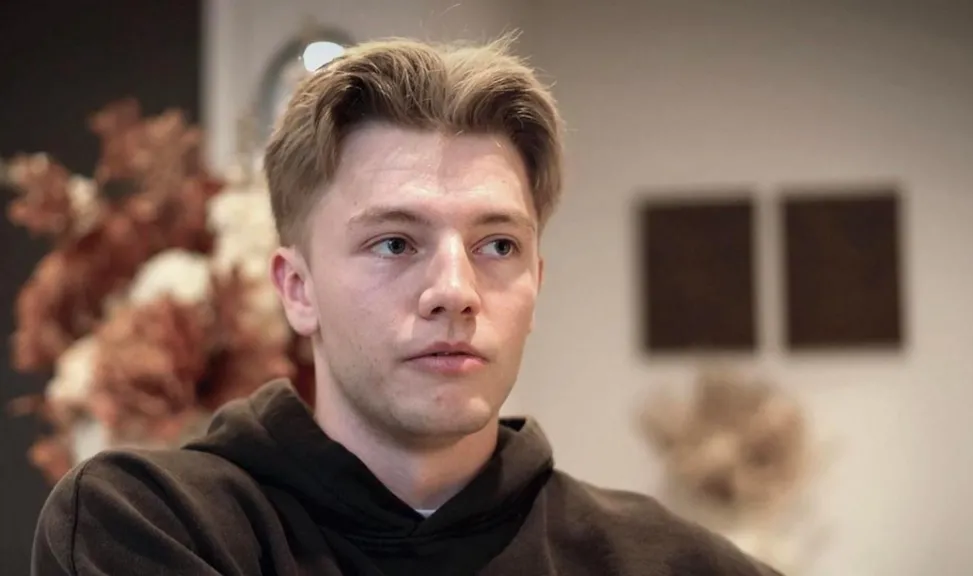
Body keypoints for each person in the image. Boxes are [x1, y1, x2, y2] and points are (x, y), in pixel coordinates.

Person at [31, 36, 781, 576]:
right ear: (297, 289)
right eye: (394, 243)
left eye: (497, 245)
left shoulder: (675, 564)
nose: (455, 290)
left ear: (537, 284)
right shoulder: (155, 523)